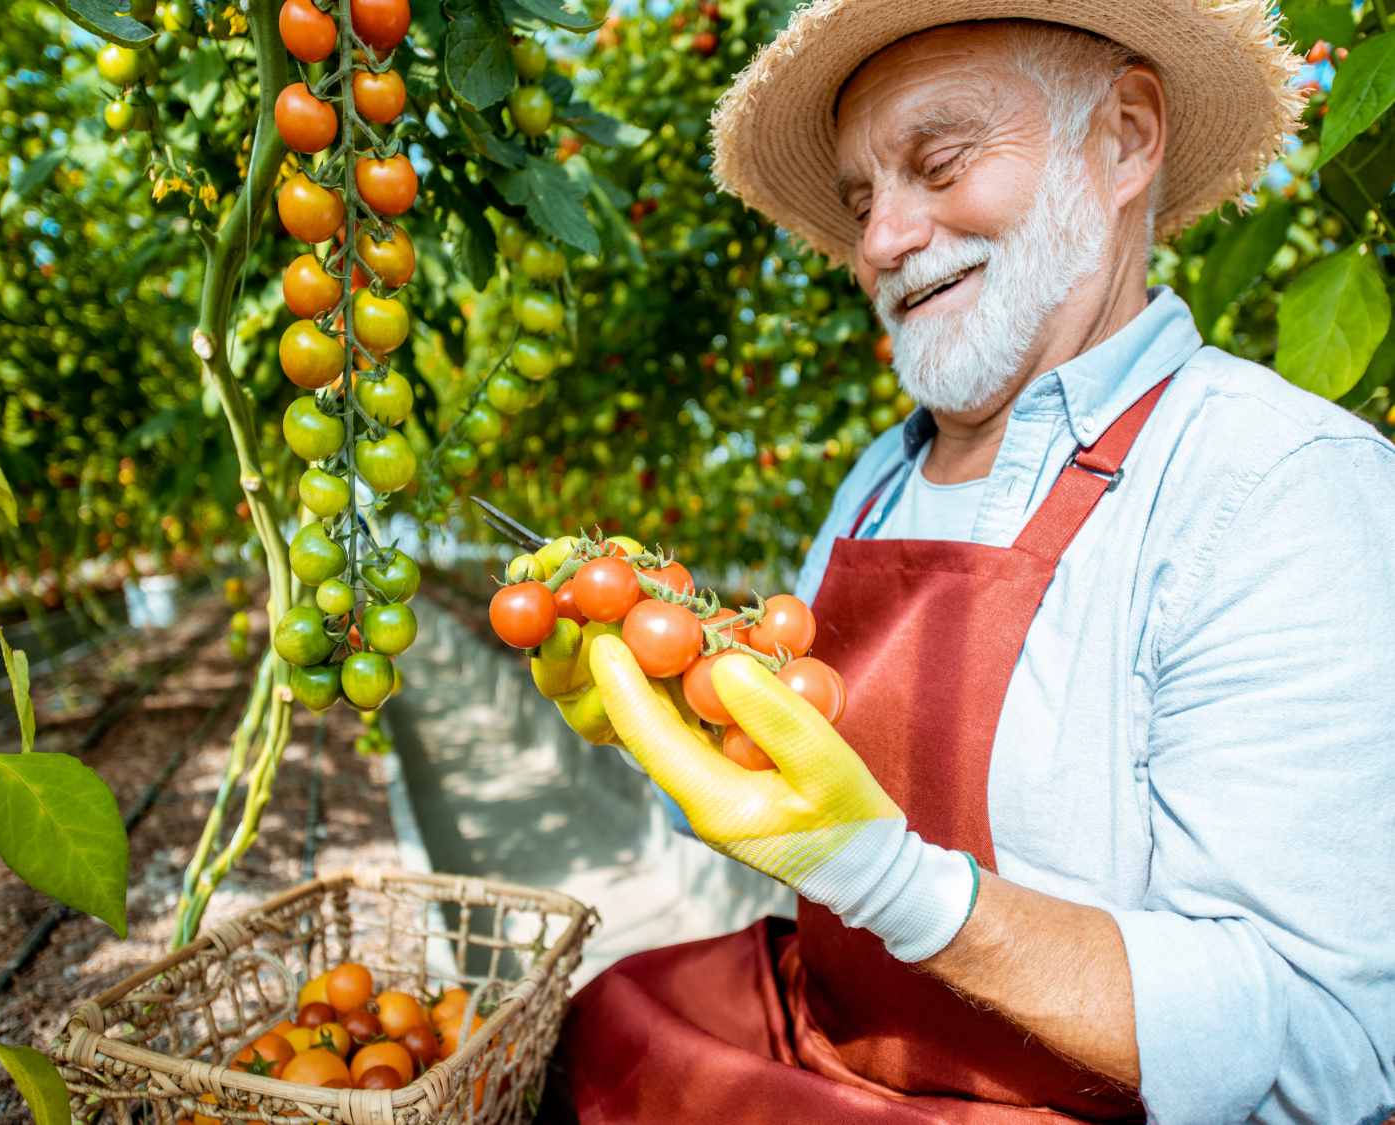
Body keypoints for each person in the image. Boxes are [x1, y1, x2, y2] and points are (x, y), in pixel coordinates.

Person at [534, 3, 1395, 1122]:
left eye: (938, 164)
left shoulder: (1276, 488)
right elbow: (811, 823)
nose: (882, 240)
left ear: (1127, 137)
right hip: (819, 1049)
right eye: (860, 203)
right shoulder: (876, 487)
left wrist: (892, 881)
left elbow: (1324, 1050)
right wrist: (698, 709)